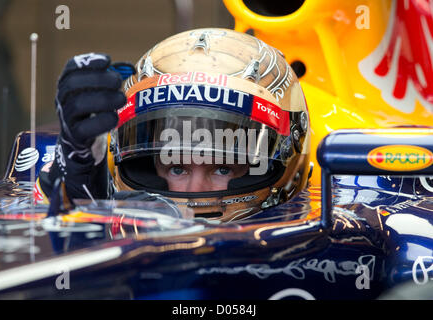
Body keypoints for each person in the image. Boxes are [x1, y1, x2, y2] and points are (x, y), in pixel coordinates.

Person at [35, 28, 311, 222]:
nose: (197, 191)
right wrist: (76, 178)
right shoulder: (126, 217)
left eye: (223, 168)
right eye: (177, 168)